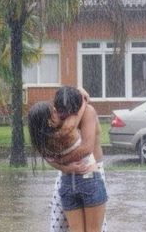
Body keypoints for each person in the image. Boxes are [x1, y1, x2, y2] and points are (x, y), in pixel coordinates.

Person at [28, 86, 108, 232]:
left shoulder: (85, 112)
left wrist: (62, 163)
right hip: (77, 174)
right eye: (57, 111)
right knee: (62, 226)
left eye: (66, 114)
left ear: (73, 110)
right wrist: (64, 166)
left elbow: (86, 149)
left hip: (85, 171)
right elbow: (71, 132)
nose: (62, 117)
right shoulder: (59, 127)